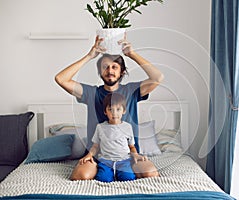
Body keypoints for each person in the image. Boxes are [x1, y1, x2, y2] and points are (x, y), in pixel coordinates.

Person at [55, 33, 164, 180]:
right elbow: (61, 79)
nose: (110, 71)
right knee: (80, 175)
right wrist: (89, 55)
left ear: (121, 71)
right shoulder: (91, 93)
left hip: (129, 156)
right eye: (105, 67)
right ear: (100, 72)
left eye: (114, 67)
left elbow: (158, 77)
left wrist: (132, 54)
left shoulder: (132, 91)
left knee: (150, 173)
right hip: (98, 156)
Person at [81, 93, 149, 182]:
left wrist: (135, 155)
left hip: (124, 160)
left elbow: (131, 146)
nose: (114, 113)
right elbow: (95, 146)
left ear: (123, 111)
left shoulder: (128, 127)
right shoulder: (100, 127)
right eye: (110, 109)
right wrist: (89, 155)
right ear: (105, 112)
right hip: (106, 161)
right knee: (103, 179)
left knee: (128, 178)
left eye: (118, 109)